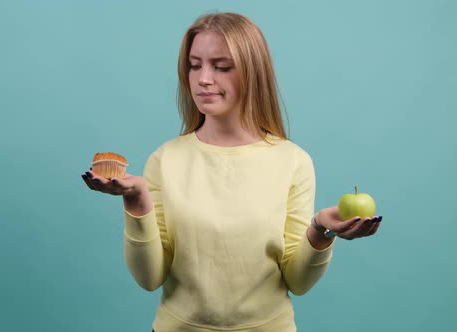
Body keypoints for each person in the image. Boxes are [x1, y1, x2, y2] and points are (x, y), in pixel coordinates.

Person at [81, 12, 382, 332]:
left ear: (253, 73)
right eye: (195, 65)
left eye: (221, 67)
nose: (203, 79)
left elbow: (298, 282)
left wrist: (322, 229)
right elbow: (149, 279)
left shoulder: (293, 161)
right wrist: (136, 201)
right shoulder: (164, 159)